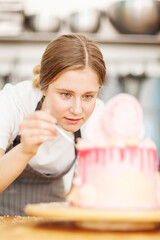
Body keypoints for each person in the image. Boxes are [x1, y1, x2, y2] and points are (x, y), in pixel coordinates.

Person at [0, 33, 106, 216]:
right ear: (44, 85)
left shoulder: (98, 118)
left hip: (53, 213)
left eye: (88, 96)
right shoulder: (13, 103)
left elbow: (81, 198)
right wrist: (25, 150)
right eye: (66, 94)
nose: (77, 110)